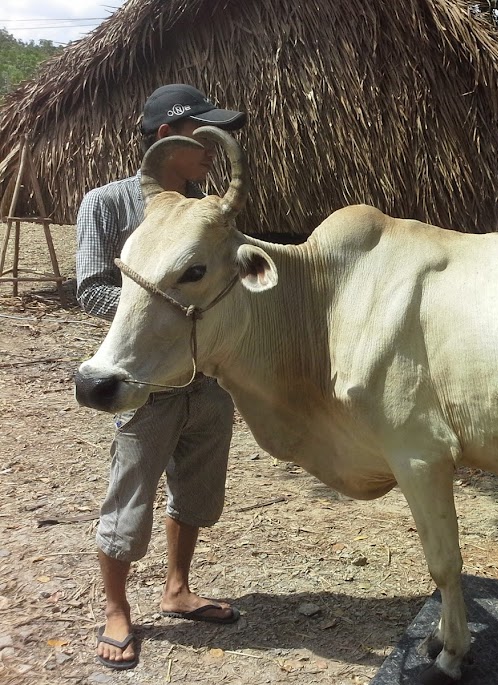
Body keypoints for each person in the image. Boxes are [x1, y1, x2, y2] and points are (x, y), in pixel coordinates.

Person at [76, 84, 247, 670]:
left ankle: (177, 589)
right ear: (166, 138)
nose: (212, 149)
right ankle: (117, 609)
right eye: (203, 136)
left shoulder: (212, 211)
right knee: (131, 493)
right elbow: (92, 289)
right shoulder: (108, 203)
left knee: (197, 490)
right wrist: (163, 313)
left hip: (207, 378)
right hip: (142, 379)